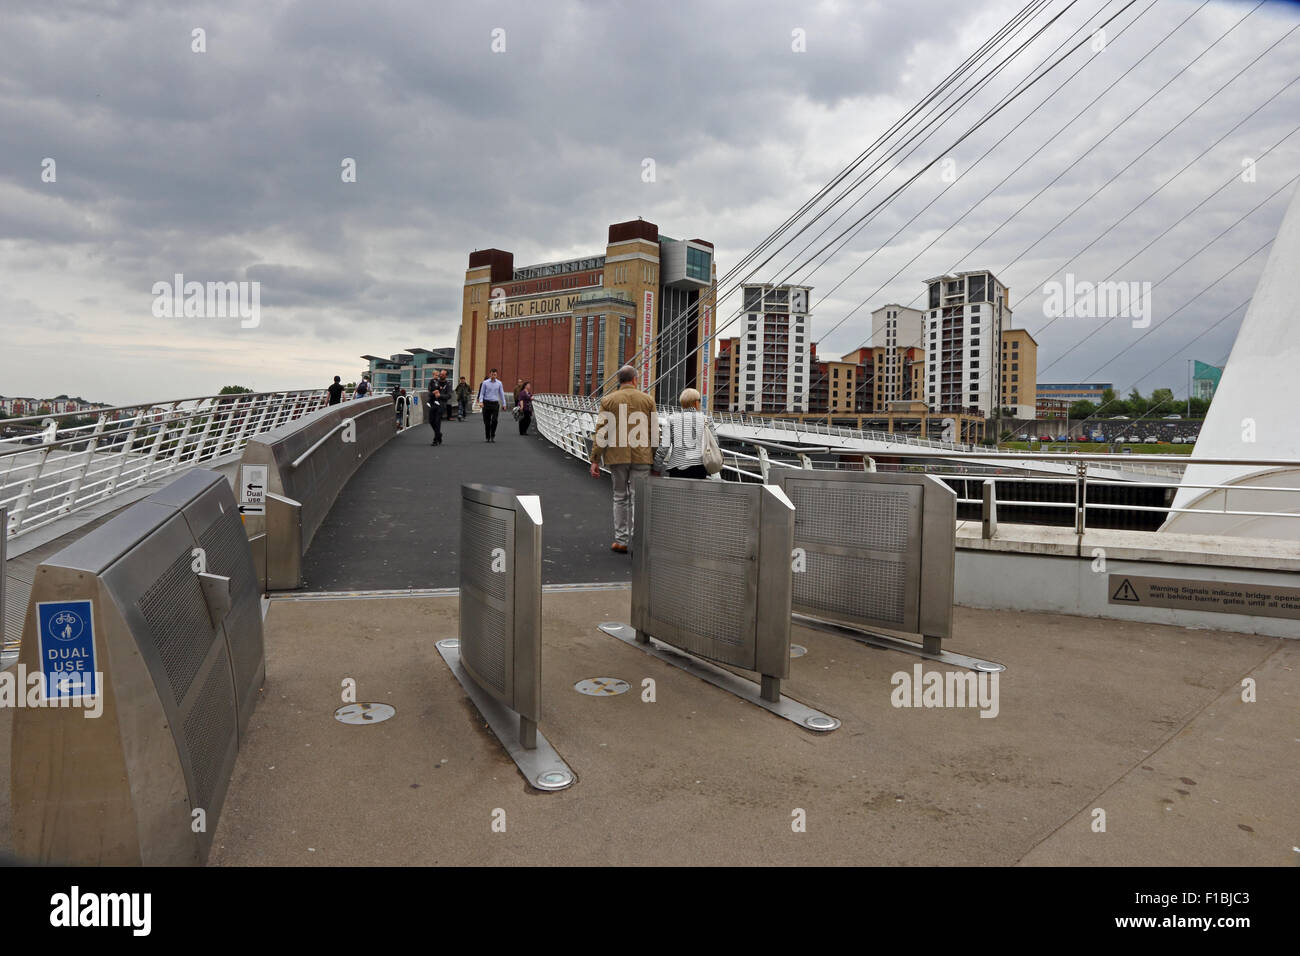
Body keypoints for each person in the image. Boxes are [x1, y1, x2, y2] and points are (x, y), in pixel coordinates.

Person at [589, 366, 657, 553]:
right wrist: (654, 458)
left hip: (617, 456)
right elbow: (654, 432)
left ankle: (621, 540)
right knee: (638, 499)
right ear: (635, 380)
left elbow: (602, 431)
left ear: (619, 380)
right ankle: (639, 542)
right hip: (642, 456)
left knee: (620, 497)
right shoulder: (648, 400)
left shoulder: (608, 400)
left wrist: (595, 458)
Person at [654, 388, 712, 478]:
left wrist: (656, 469)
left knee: (676, 492)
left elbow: (663, 448)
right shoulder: (706, 420)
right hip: (700, 467)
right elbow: (714, 443)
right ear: (696, 403)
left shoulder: (671, 420)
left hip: (677, 468)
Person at [477, 368, 506, 442]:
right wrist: (481, 402)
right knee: (487, 421)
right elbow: (482, 393)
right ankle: (487, 437)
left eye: (495, 374)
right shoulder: (485, 383)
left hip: (495, 403)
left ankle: (492, 435)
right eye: (492, 374)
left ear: (497, 375)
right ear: (490, 374)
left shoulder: (499, 383)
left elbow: (501, 394)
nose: (493, 376)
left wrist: (504, 403)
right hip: (486, 403)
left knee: (495, 420)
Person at [427, 377, 444, 446]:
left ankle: (436, 440)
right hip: (432, 404)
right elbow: (429, 394)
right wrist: (433, 393)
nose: (436, 376)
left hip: (441, 405)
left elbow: (448, 395)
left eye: (437, 374)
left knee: (437, 422)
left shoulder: (444, 383)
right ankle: (439, 434)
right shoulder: (431, 383)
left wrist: (440, 395)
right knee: (431, 421)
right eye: (435, 375)